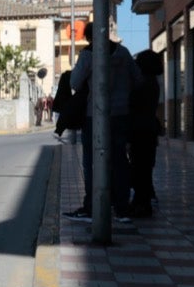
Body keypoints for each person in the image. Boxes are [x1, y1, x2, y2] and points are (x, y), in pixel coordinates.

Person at [64, 33, 139, 226]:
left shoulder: (89, 54)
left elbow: (74, 82)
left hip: (94, 115)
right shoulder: (123, 53)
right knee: (120, 160)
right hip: (121, 114)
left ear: (90, 37)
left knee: (91, 162)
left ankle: (91, 207)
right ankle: (121, 208)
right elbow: (137, 80)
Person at [129, 49, 164, 218]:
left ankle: (142, 204)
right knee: (144, 167)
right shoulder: (153, 82)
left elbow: (134, 104)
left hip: (140, 130)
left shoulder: (144, 83)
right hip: (148, 129)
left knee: (140, 167)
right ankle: (141, 201)